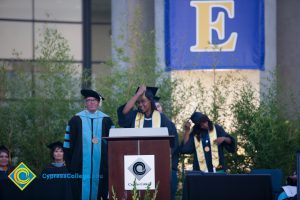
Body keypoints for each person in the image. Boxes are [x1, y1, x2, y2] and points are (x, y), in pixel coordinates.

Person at [117, 85, 179, 200]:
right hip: (136, 164)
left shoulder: (161, 118)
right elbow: (124, 112)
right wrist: (137, 94)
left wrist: (166, 157)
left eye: (143, 101)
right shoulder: (134, 115)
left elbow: (172, 142)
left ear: (151, 101)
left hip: (157, 164)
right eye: (138, 102)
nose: (140, 105)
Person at [63, 89, 114, 200]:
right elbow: (68, 144)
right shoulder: (75, 119)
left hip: (102, 165)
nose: (91, 102)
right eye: (88, 100)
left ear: (98, 102)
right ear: (85, 103)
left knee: (101, 191)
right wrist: (69, 163)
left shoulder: (106, 120)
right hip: (79, 165)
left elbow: (112, 145)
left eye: (94, 100)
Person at [153, 95, 179, 200]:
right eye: (155, 107)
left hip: (167, 166)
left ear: (162, 108)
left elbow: (175, 145)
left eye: (158, 106)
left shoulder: (169, 124)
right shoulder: (147, 124)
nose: (157, 109)